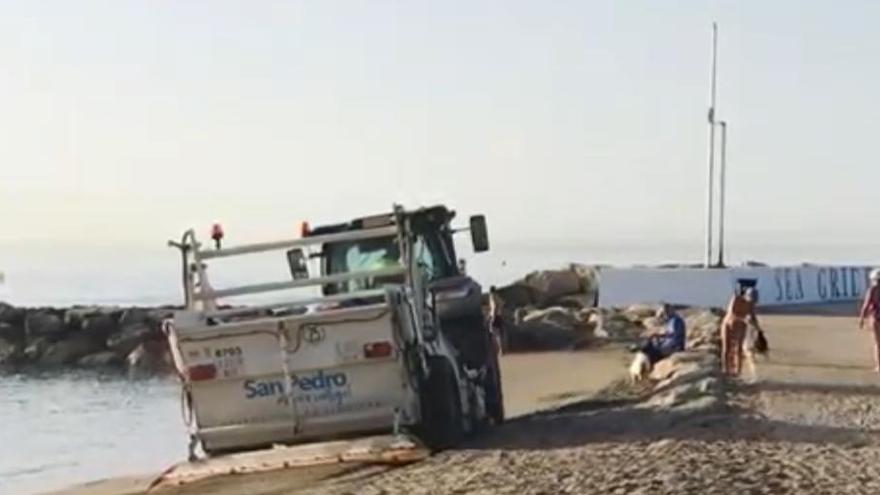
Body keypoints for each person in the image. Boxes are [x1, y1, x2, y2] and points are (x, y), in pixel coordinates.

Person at [722, 286, 762, 376]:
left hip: (740, 326)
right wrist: (744, 319)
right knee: (727, 348)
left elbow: (753, 317)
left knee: (739, 349)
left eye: (753, 301)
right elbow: (732, 313)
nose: (751, 302)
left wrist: (758, 329)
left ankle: (738, 371)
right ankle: (725, 370)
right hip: (728, 324)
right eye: (750, 300)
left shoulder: (750, 305)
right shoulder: (736, 299)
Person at [858, 268, 880, 372]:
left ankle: (879, 365)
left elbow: (866, 305)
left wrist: (861, 318)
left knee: (877, 343)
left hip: (876, 318)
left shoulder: (872, 290)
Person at [487, 286, 507, 354]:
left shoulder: (492, 297)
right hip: (499, 315)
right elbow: (503, 303)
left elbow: (494, 306)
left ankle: (498, 349)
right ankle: (501, 349)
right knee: (499, 333)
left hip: (495, 315)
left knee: (494, 332)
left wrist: (493, 316)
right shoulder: (497, 296)